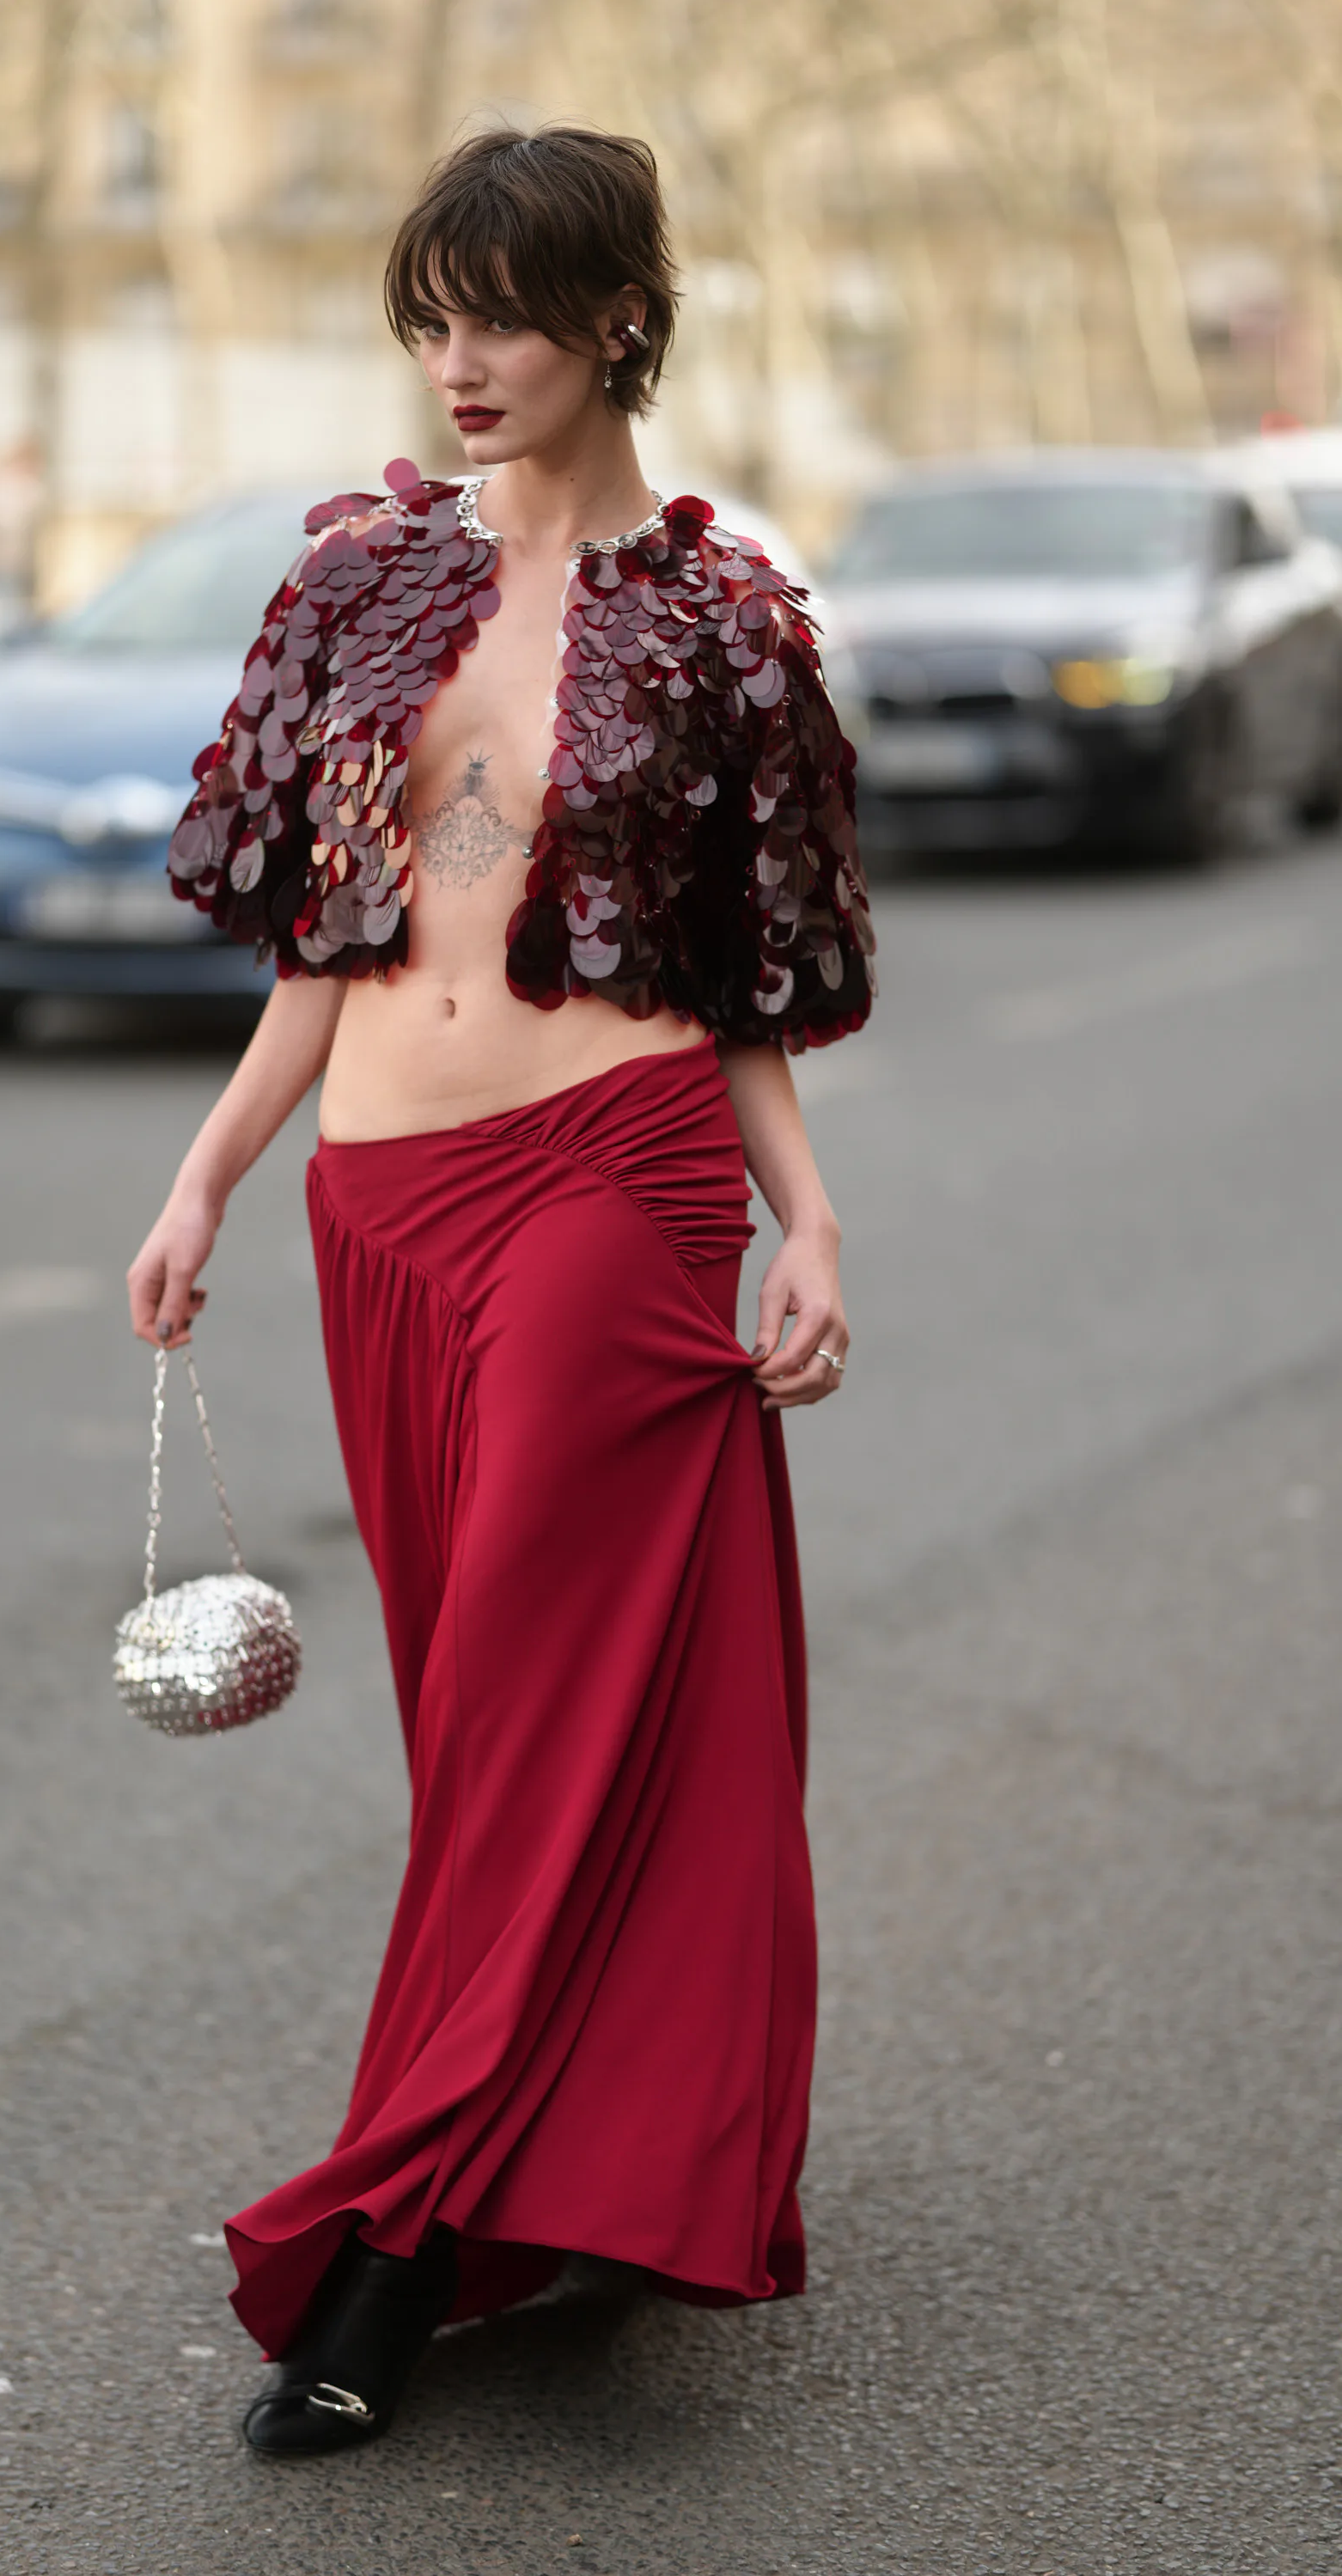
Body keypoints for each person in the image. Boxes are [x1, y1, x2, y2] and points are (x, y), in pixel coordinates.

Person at [126, 123, 875, 2457]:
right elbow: (323, 947)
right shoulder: (358, 586)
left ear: (621, 319)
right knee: (489, 1733)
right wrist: (212, 1176)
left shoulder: (723, 620)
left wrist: (804, 1213)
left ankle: (393, 2244)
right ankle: (558, 2156)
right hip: (383, 1214)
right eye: (429, 318)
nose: (459, 363)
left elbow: (749, 969)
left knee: (546, 1713)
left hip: (611, 1192)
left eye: (506, 317)